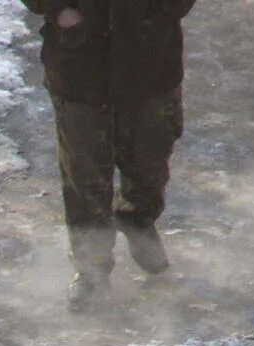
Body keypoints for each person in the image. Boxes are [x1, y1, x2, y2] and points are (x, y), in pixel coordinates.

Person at [21, 0, 195, 311]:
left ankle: (138, 220)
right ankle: (91, 269)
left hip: (151, 61)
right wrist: (59, 9)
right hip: (79, 67)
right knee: (84, 175)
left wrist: (162, 10)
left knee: (149, 161)